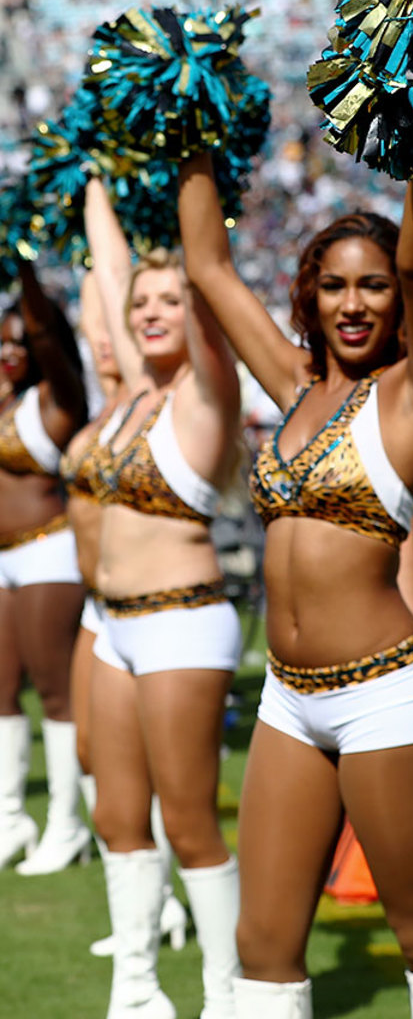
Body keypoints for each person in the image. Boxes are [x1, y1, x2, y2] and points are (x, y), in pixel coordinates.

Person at [177, 156, 413, 1019]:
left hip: (383, 695)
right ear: (309, 296)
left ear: (399, 297)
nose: (353, 304)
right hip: (286, 697)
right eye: (335, 287)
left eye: (375, 287)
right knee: (262, 944)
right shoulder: (295, 388)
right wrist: (191, 130)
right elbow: (207, 265)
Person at [84, 178, 243, 1019]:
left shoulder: (205, 393)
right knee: (116, 814)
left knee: (187, 821)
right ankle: (137, 992)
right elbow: (108, 272)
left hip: (182, 621)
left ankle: (225, 995)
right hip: (111, 626)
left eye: (168, 299)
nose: (147, 311)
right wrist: (97, 180)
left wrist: (193, 180)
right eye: (140, 302)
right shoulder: (131, 392)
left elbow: (204, 276)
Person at [62, 269, 188, 956]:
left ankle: (168, 899)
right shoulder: (108, 407)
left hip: (154, 605)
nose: (106, 339)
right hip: (97, 607)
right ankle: (147, 908)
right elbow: (96, 310)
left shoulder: (147, 402)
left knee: (165, 776)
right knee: (94, 757)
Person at [0, 260, 88, 875]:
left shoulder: (53, 401)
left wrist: (23, 261)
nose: (11, 350)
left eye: (20, 340)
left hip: (48, 551)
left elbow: (51, 339)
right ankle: (11, 819)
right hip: (3, 561)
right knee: (1, 693)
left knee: (56, 692)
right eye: (1, 339)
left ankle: (66, 823)